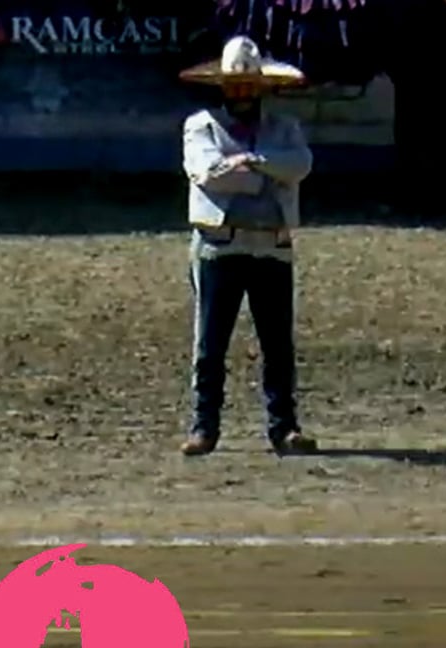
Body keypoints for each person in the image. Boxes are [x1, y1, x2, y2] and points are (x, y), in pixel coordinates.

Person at [178, 36, 317, 457]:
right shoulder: (199, 125)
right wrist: (264, 170)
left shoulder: (286, 128)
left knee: (278, 344)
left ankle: (284, 427)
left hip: (271, 246)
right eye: (235, 84)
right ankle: (205, 426)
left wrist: (248, 164)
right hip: (220, 247)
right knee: (210, 345)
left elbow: (301, 166)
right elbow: (208, 174)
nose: (242, 92)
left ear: (261, 87)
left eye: (248, 85)